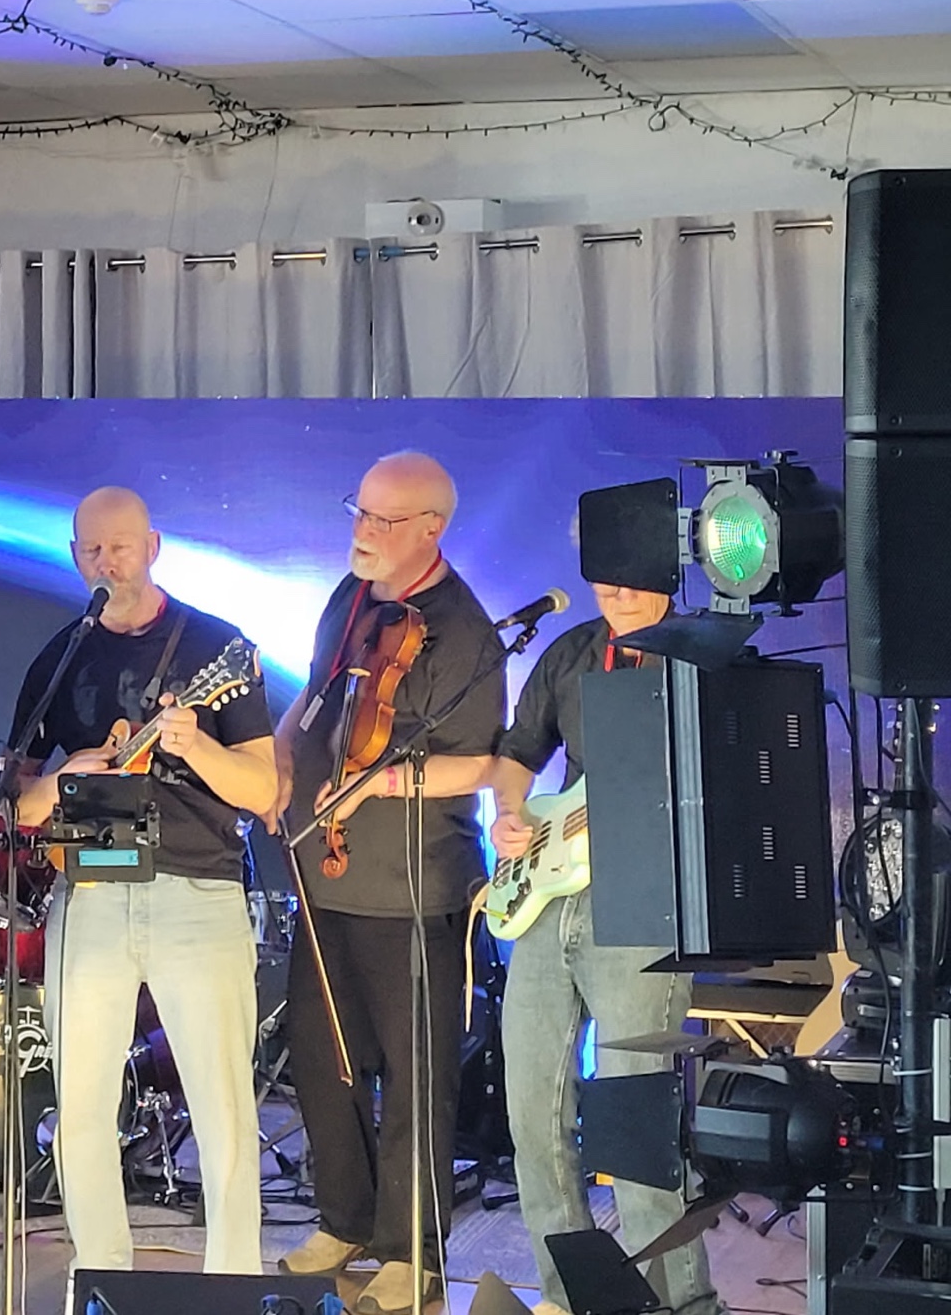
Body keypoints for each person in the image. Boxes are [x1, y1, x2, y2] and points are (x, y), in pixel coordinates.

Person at [12, 486, 277, 1274]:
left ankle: (232, 1284)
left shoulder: (217, 647)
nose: (107, 562)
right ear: (74, 557)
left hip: (196, 889)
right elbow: (19, 801)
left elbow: (264, 789)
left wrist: (198, 747)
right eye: (92, 550)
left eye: (120, 546)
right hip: (90, 891)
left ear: (153, 547)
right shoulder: (60, 657)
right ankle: (101, 1277)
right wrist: (66, 776)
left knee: (223, 1109)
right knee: (81, 1106)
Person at [273, 452, 503, 1315]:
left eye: (382, 520)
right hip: (324, 869)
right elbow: (316, 696)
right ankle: (345, 1219)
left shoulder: (466, 632)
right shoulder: (350, 596)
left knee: (415, 1079)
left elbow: (479, 762)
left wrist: (380, 785)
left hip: (412, 885)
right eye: (358, 512)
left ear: (431, 530)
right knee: (320, 1057)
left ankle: (412, 1250)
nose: (362, 532)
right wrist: (281, 762)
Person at [491, 579, 724, 1315]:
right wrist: (509, 814)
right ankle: (568, 1297)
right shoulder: (573, 651)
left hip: (644, 899)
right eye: (603, 573)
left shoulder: (700, 657)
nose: (615, 589)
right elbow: (517, 753)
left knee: (634, 1124)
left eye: (630, 574)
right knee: (534, 1119)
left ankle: (680, 1303)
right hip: (548, 900)